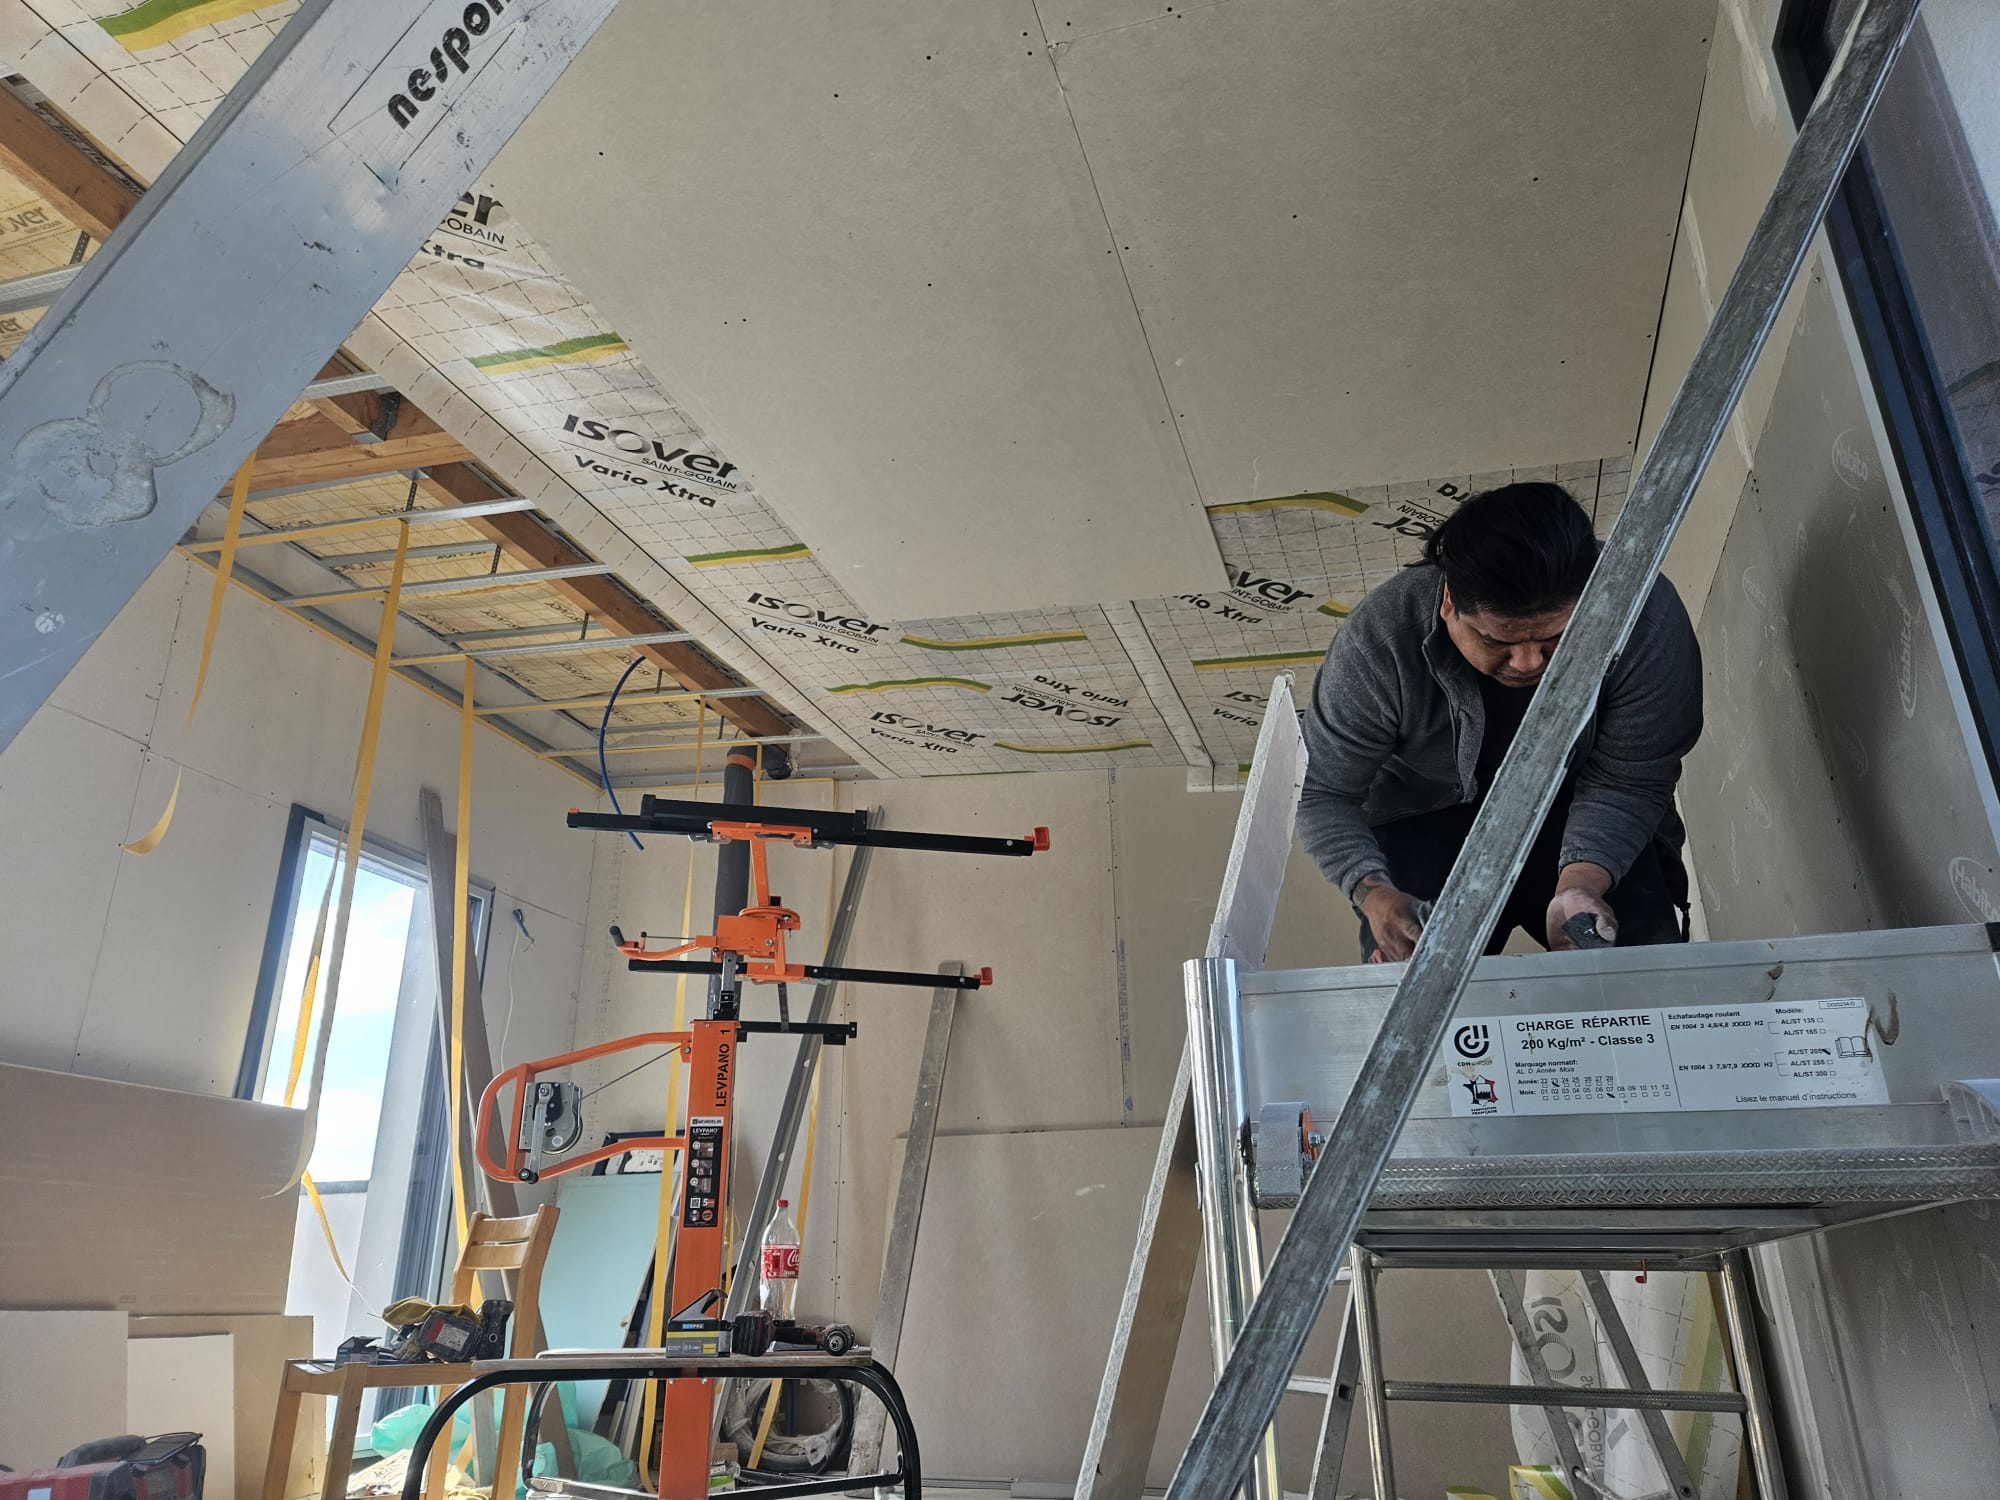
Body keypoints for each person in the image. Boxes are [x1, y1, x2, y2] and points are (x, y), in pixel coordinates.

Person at [1297, 481, 1701, 961]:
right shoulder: (1380, 643)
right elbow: (1322, 792)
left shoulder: (1645, 619)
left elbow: (1630, 778)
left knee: (1640, 973)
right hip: (1422, 818)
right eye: (1496, 640)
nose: (1528, 662)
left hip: (1583, 799)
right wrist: (1374, 896)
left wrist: (1582, 884)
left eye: (1555, 638)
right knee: (1414, 976)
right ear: (1450, 604)